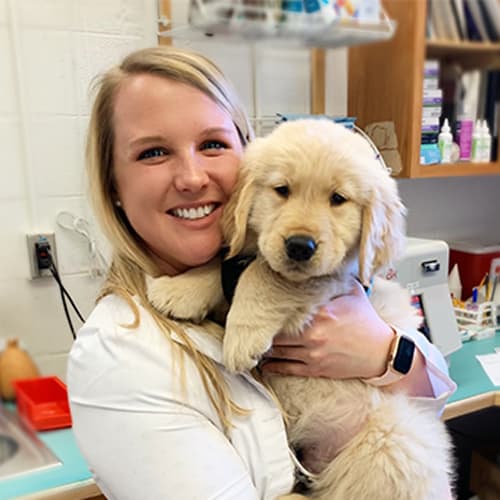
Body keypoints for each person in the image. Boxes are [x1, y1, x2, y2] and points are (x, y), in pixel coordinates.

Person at [67, 46, 456, 500]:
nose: (192, 177)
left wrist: (385, 354)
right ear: (113, 183)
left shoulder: (299, 280)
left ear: (244, 156)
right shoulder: (118, 357)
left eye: (212, 144)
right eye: (153, 152)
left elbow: (435, 390)